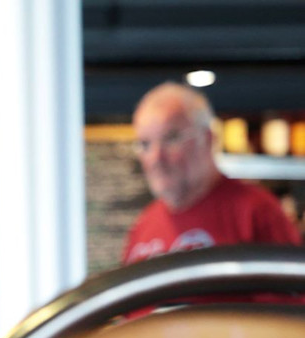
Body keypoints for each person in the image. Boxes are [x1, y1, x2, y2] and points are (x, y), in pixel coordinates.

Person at [123, 82, 300, 264]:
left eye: (171, 138)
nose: (156, 158)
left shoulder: (256, 212)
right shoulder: (143, 227)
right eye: (145, 144)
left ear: (207, 139)